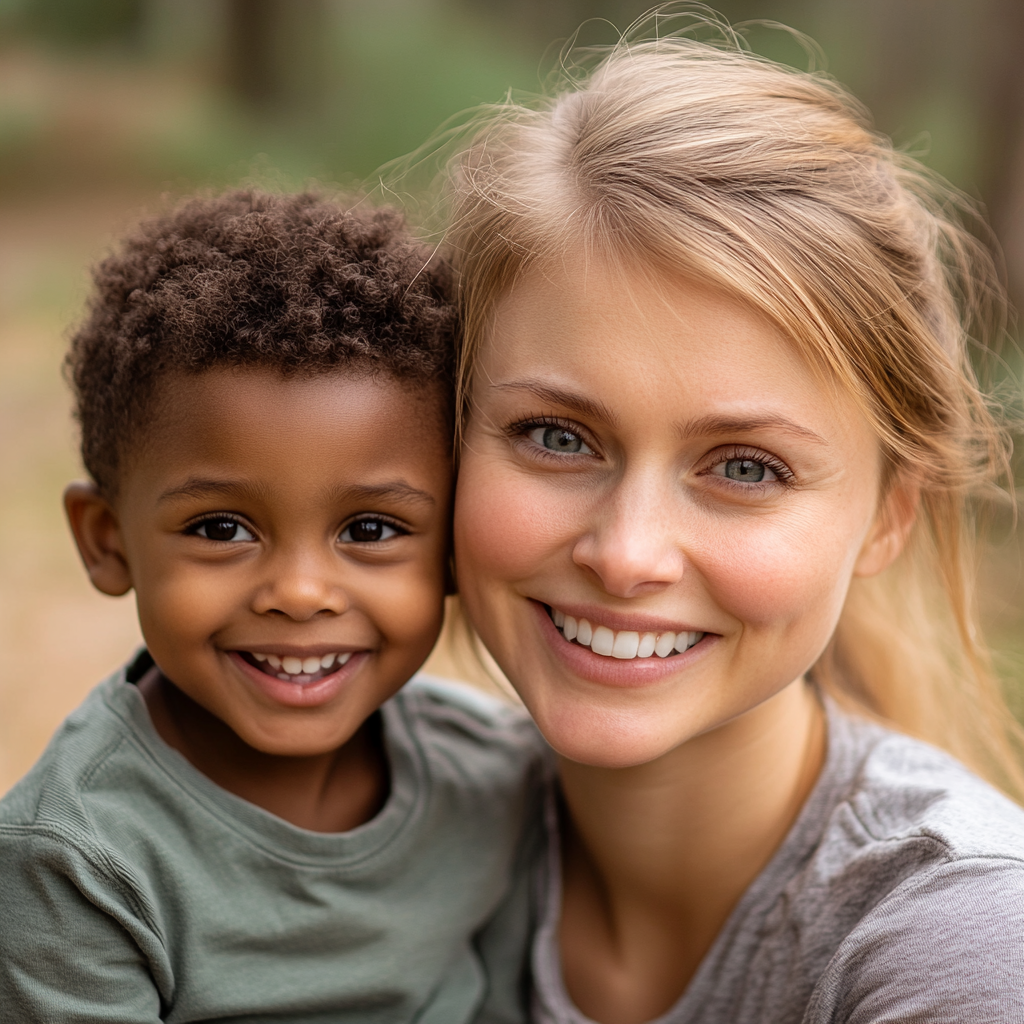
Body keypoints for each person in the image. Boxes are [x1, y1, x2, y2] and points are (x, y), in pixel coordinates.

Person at [445, 13, 1024, 1023]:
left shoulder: (964, 940)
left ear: (890, 515)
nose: (626, 555)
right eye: (555, 435)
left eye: (745, 467)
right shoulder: (380, 818)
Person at [0, 190, 542, 1022]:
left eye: (370, 528)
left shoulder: (495, 781)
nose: (298, 593)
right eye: (222, 528)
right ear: (107, 541)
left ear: (454, 549)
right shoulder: (76, 864)